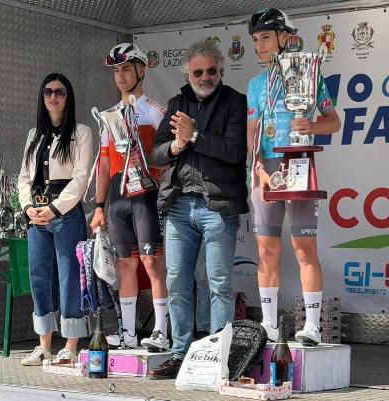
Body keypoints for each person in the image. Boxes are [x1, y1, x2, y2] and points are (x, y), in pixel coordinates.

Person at [148, 39, 248, 379]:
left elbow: (235, 151)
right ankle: (180, 354)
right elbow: (155, 154)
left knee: (218, 282)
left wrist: (194, 136)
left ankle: (218, 357)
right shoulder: (176, 103)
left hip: (218, 205)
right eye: (198, 72)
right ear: (187, 75)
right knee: (177, 282)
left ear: (221, 70)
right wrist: (176, 146)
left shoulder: (235, 102)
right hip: (178, 205)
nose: (205, 77)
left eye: (211, 71)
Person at [247, 8, 341, 346]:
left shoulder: (310, 74)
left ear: (285, 37)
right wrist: (259, 169)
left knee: (304, 248)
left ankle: (312, 325)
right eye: (256, 39)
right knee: (267, 249)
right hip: (266, 169)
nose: (259, 45)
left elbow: (334, 122)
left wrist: (312, 125)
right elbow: (253, 133)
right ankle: (269, 324)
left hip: (299, 163)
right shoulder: (256, 84)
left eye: (266, 38)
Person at [90, 43, 169, 351]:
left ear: (141, 70)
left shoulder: (156, 112)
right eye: (116, 71)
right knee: (125, 265)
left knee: (152, 262)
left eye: (126, 69)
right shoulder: (109, 116)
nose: (121, 77)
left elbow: (168, 158)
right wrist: (99, 206)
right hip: (118, 197)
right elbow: (104, 164)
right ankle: (128, 333)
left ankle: (161, 330)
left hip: (147, 195)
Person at [18, 73, 93, 365]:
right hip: (36, 216)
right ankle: (44, 346)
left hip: (66, 214)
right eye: (48, 92)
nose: (53, 97)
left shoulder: (81, 132)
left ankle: (71, 346)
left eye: (59, 92)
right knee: (39, 278)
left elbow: (81, 178)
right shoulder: (34, 134)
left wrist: (56, 208)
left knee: (69, 277)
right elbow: (25, 178)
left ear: (68, 96)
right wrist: (28, 207)